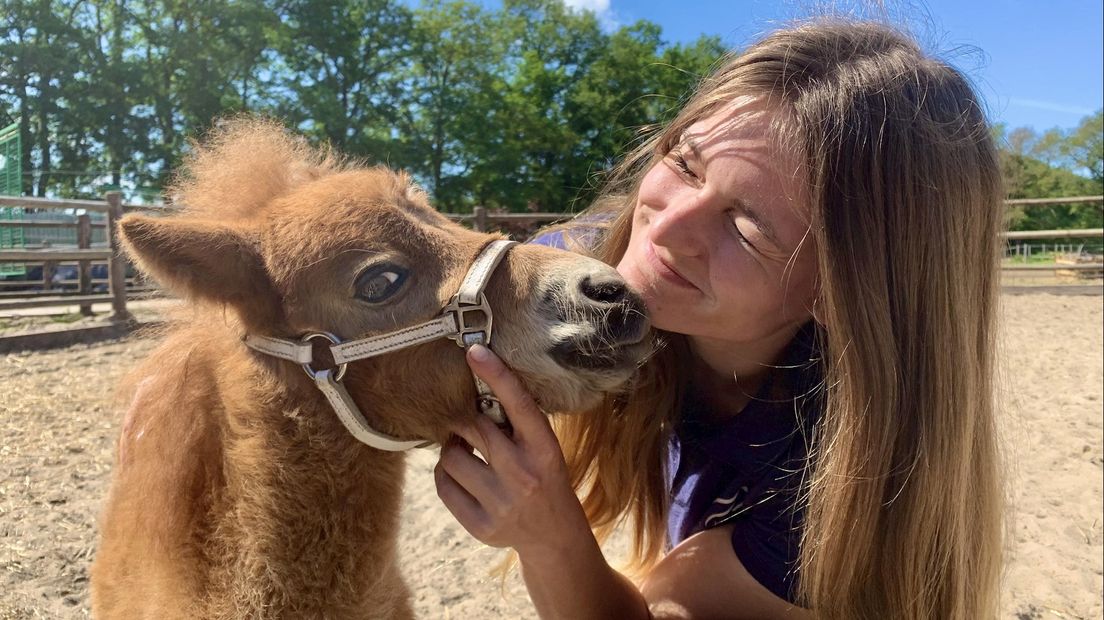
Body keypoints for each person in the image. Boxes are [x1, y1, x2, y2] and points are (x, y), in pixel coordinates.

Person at [434, 18, 1004, 620]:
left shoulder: (849, 482)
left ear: (845, 294)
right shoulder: (590, 261)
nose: (666, 228)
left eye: (745, 225)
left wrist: (547, 538)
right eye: (685, 165)